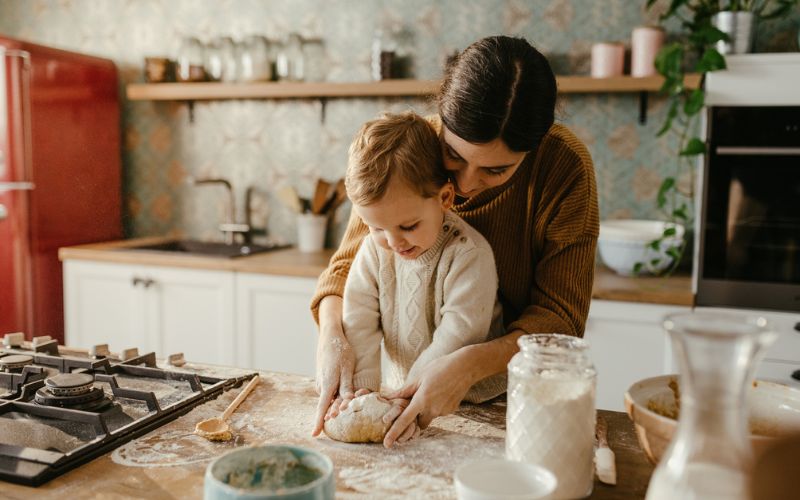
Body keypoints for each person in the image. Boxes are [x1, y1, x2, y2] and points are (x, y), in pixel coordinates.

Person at [311, 35, 599, 448]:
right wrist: (332, 338)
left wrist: (466, 364)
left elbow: (560, 319)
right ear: (441, 118)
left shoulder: (564, 167)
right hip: (400, 390)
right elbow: (347, 269)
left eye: (495, 171)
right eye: (454, 155)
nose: (463, 186)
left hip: (509, 396)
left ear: (533, 150)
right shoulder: (410, 149)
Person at [335, 111, 507, 418]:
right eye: (376, 228)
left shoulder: (468, 255)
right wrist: (364, 391)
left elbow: (457, 335)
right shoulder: (374, 251)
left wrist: (408, 394)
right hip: (404, 394)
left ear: (445, 197)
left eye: (409, 226)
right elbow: (358, 318)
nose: (393, 242)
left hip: (481, 403)